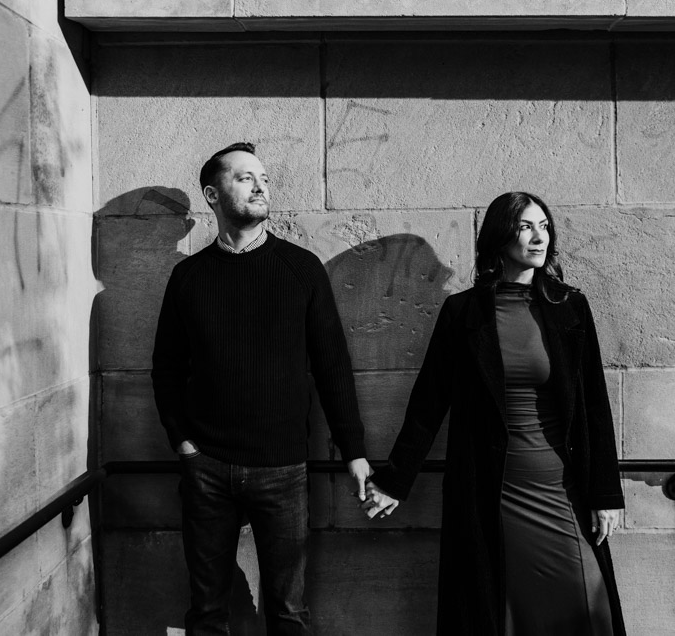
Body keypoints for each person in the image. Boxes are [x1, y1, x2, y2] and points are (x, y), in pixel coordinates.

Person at [364, 191, 627, 635]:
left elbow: (595, 406)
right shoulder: (463, 312)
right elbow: (429, 404)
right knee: (502, 611)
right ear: (499, 236)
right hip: (493, 487)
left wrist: (606, 493)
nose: (538, 237)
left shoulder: (570, 307)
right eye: (525, 226)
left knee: (588, 608)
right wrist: (395, 479)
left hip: (562, 487)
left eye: (544, 226)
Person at [151, 142, 371, 636]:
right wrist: (182, 442)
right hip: (206, 467)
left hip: (283, 470)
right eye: (245, 177)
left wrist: (353, 451)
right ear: (212, 194)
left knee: (289, 612)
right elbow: (165, 369)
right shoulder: (188, 277)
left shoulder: (301, 268)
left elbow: (332, 366)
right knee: (206, 613)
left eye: (264, 178)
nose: (260, 186)